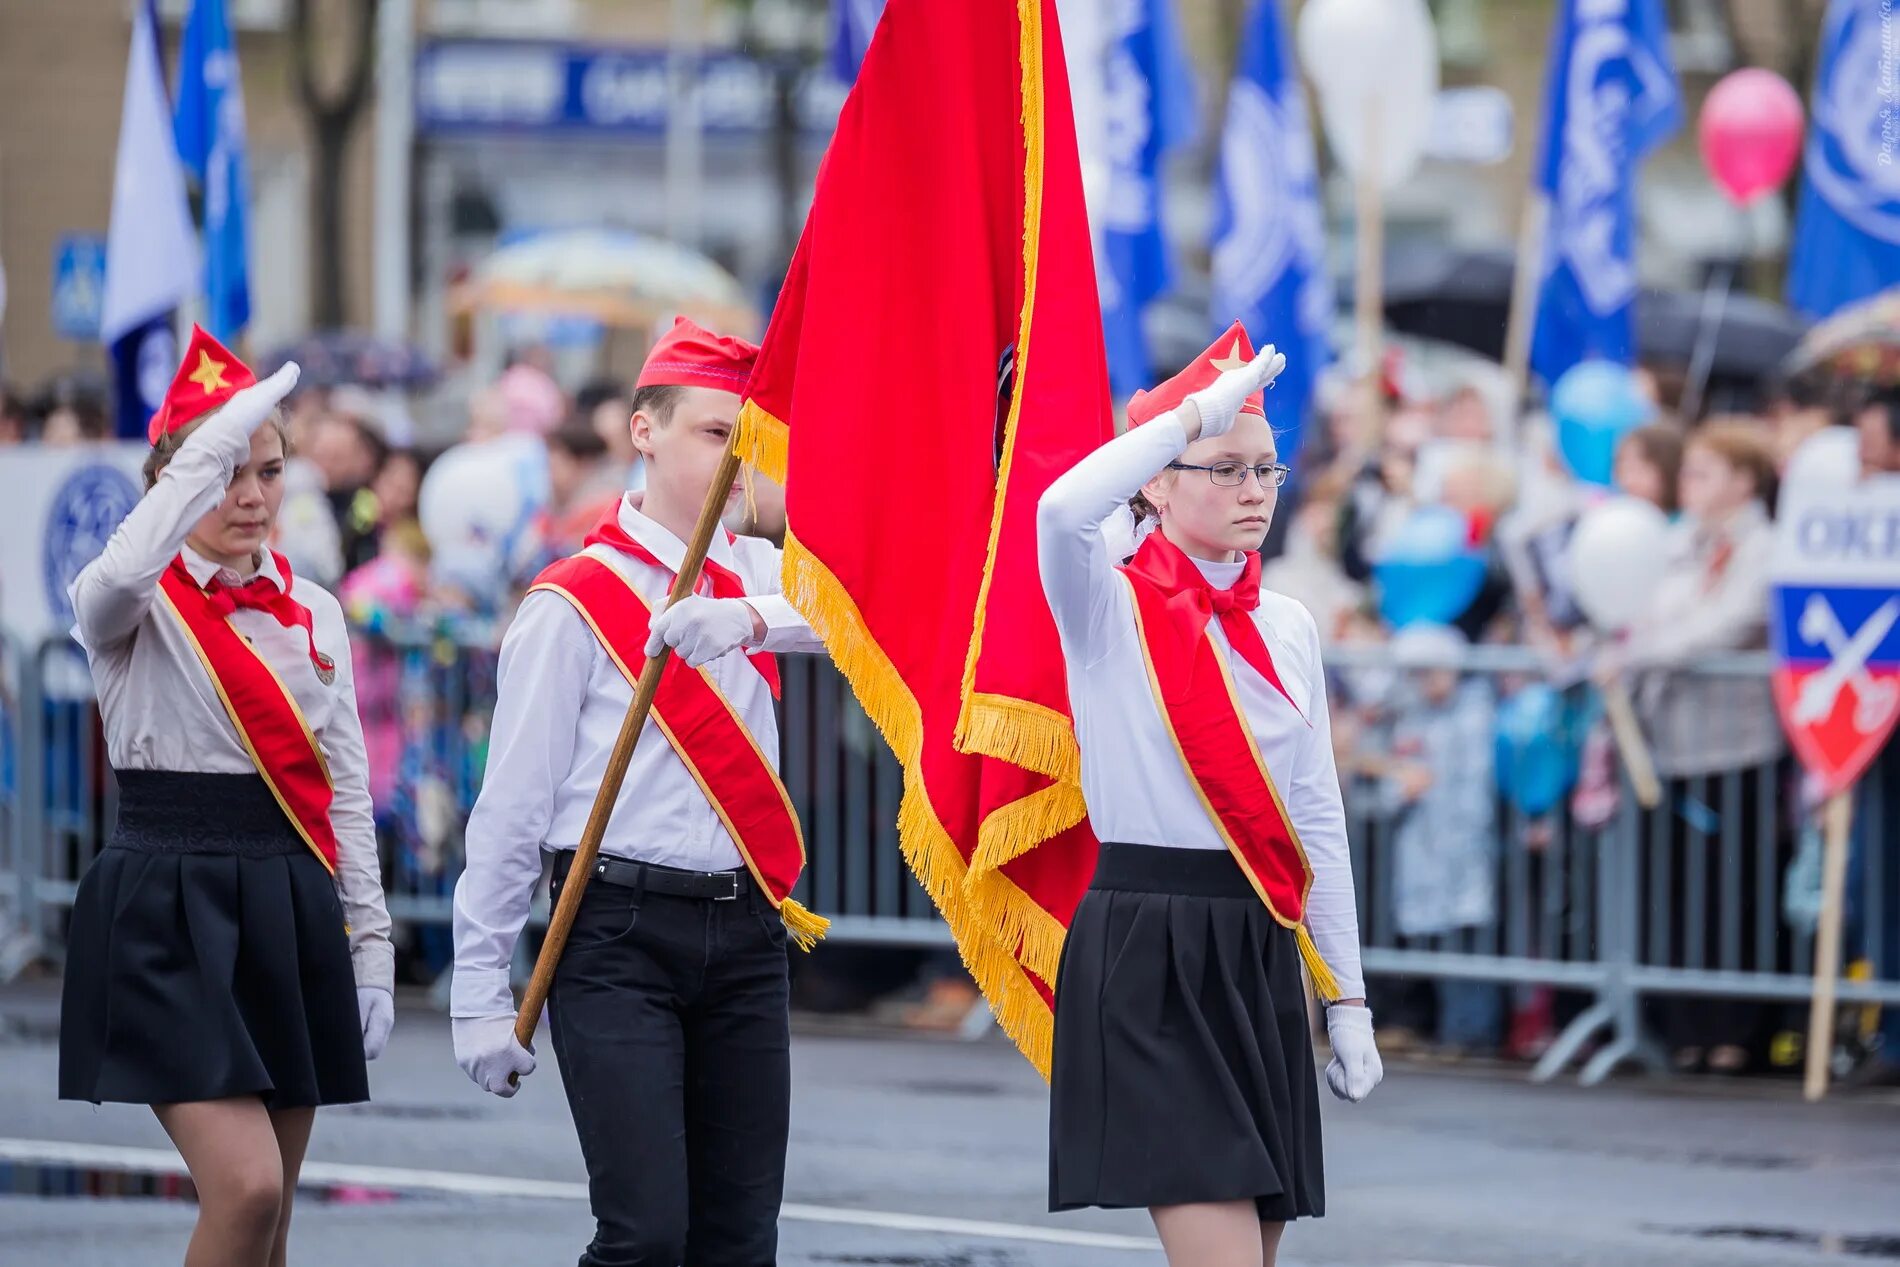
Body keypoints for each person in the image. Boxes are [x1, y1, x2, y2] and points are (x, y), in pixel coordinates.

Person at [450, 317, 830, 1267]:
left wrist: (747, 618)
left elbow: (873, 624)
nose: (738, 457)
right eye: (714, 430)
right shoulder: (572, 600)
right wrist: (475, 987)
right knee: (647, 1237)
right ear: (643, 430)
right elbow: (511, 811)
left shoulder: (765, 577)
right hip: (616, 932)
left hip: (745, 934)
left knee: (740, 1243)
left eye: (751, 437)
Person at [1039, 325, 1380, 1267]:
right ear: (1156, 480)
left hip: (1254, 943)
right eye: (1224, 469)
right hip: (1150, 945)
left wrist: (1345, 998)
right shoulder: (1105, 604)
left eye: (1266, 471)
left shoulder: (1290, 623)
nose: (1254, 493)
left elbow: (1316, 818)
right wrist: (1191, 412)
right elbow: (1062, 509)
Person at [58, 327, 394, 1267]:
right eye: (222, 473)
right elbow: (117, 576)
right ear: (176, 483)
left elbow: (349, 790)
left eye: (270, 469)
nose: (250, 497)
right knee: (242, 1190)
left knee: (271, 1221)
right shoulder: (134, 598)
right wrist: (205, 444)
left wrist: (370, 943)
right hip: (167, 903)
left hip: (283, 897)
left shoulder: (314, 607)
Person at [1607, 420, 1784, 1073]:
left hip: (1739, 746)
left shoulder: (1764, 545)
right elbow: (1649, 608)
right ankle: (1690, 1025)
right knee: (1680, 890)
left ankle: (1739, 1029)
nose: (1690, 484)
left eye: (1706, 472)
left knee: (1736, 891)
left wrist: (1646, 649)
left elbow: (1729, 620)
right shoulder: (1677, 540)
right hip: (1673, 742)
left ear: (1743, 480)